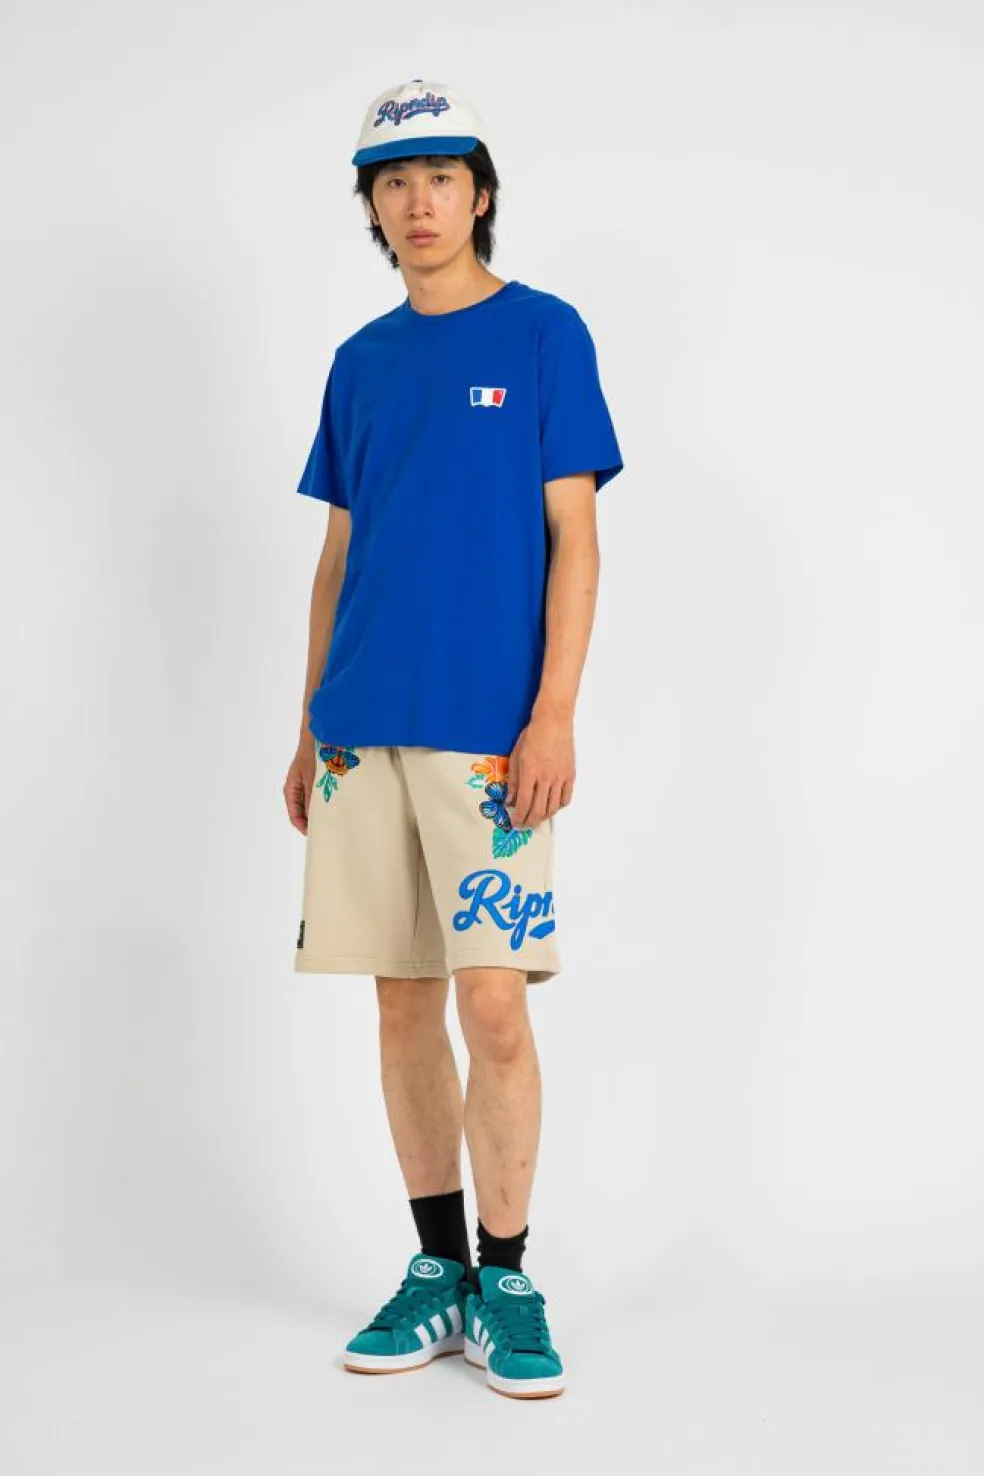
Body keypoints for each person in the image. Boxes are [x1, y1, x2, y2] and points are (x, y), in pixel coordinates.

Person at [283, 78, 624, 1400]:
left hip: (490, 736)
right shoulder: (359, 362)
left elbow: (576, 539)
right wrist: (306, 727)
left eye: (440, 178)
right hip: (361, 728)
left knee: (495, 1002)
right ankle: (437, 1269)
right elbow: (338, 556)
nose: (418, 202)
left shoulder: (543, 333)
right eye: (393, 183)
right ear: (371, 208)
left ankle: (509, 1273)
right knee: (401, 997)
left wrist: (554, 712)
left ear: (479, 194)